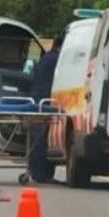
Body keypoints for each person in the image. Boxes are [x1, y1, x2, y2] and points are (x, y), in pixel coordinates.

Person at [29, 34, 63, 183]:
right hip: (44, 102)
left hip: (39, 100)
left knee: (39, 137)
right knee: (41, 139)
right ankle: (41, 175)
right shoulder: (56, 59)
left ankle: (38, 173)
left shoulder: (47, 57)